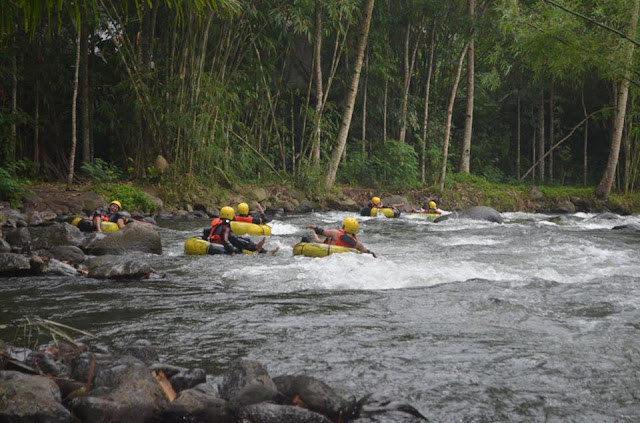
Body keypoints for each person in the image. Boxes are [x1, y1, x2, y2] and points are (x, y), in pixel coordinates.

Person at [205, 206, 278, 255]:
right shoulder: (226, 227)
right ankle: (258, 248)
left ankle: (258, 248)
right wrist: (232, 251)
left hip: (213, 242)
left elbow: (206, 232)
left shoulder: (217, 223)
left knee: (238, 238)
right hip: (220, 245)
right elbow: (225, 240)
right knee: (236, 238)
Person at [306, 217, 377, 257]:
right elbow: (368, 252)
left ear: (344, 226)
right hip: (339, 256)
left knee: (308, 239)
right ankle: (316, 238)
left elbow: (321, 231)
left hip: (326, 251)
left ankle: (315, 238)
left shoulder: (335, 233)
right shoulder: (358, 244)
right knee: (319, 241)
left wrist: (313, 227)